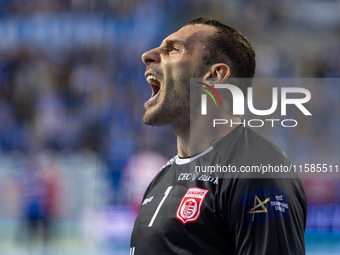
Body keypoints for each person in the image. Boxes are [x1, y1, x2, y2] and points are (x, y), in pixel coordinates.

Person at [130, 17, 306, 255]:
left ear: (213, 76)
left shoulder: (256, 169)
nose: (147, 55)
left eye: (173, 50)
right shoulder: (162, 177)